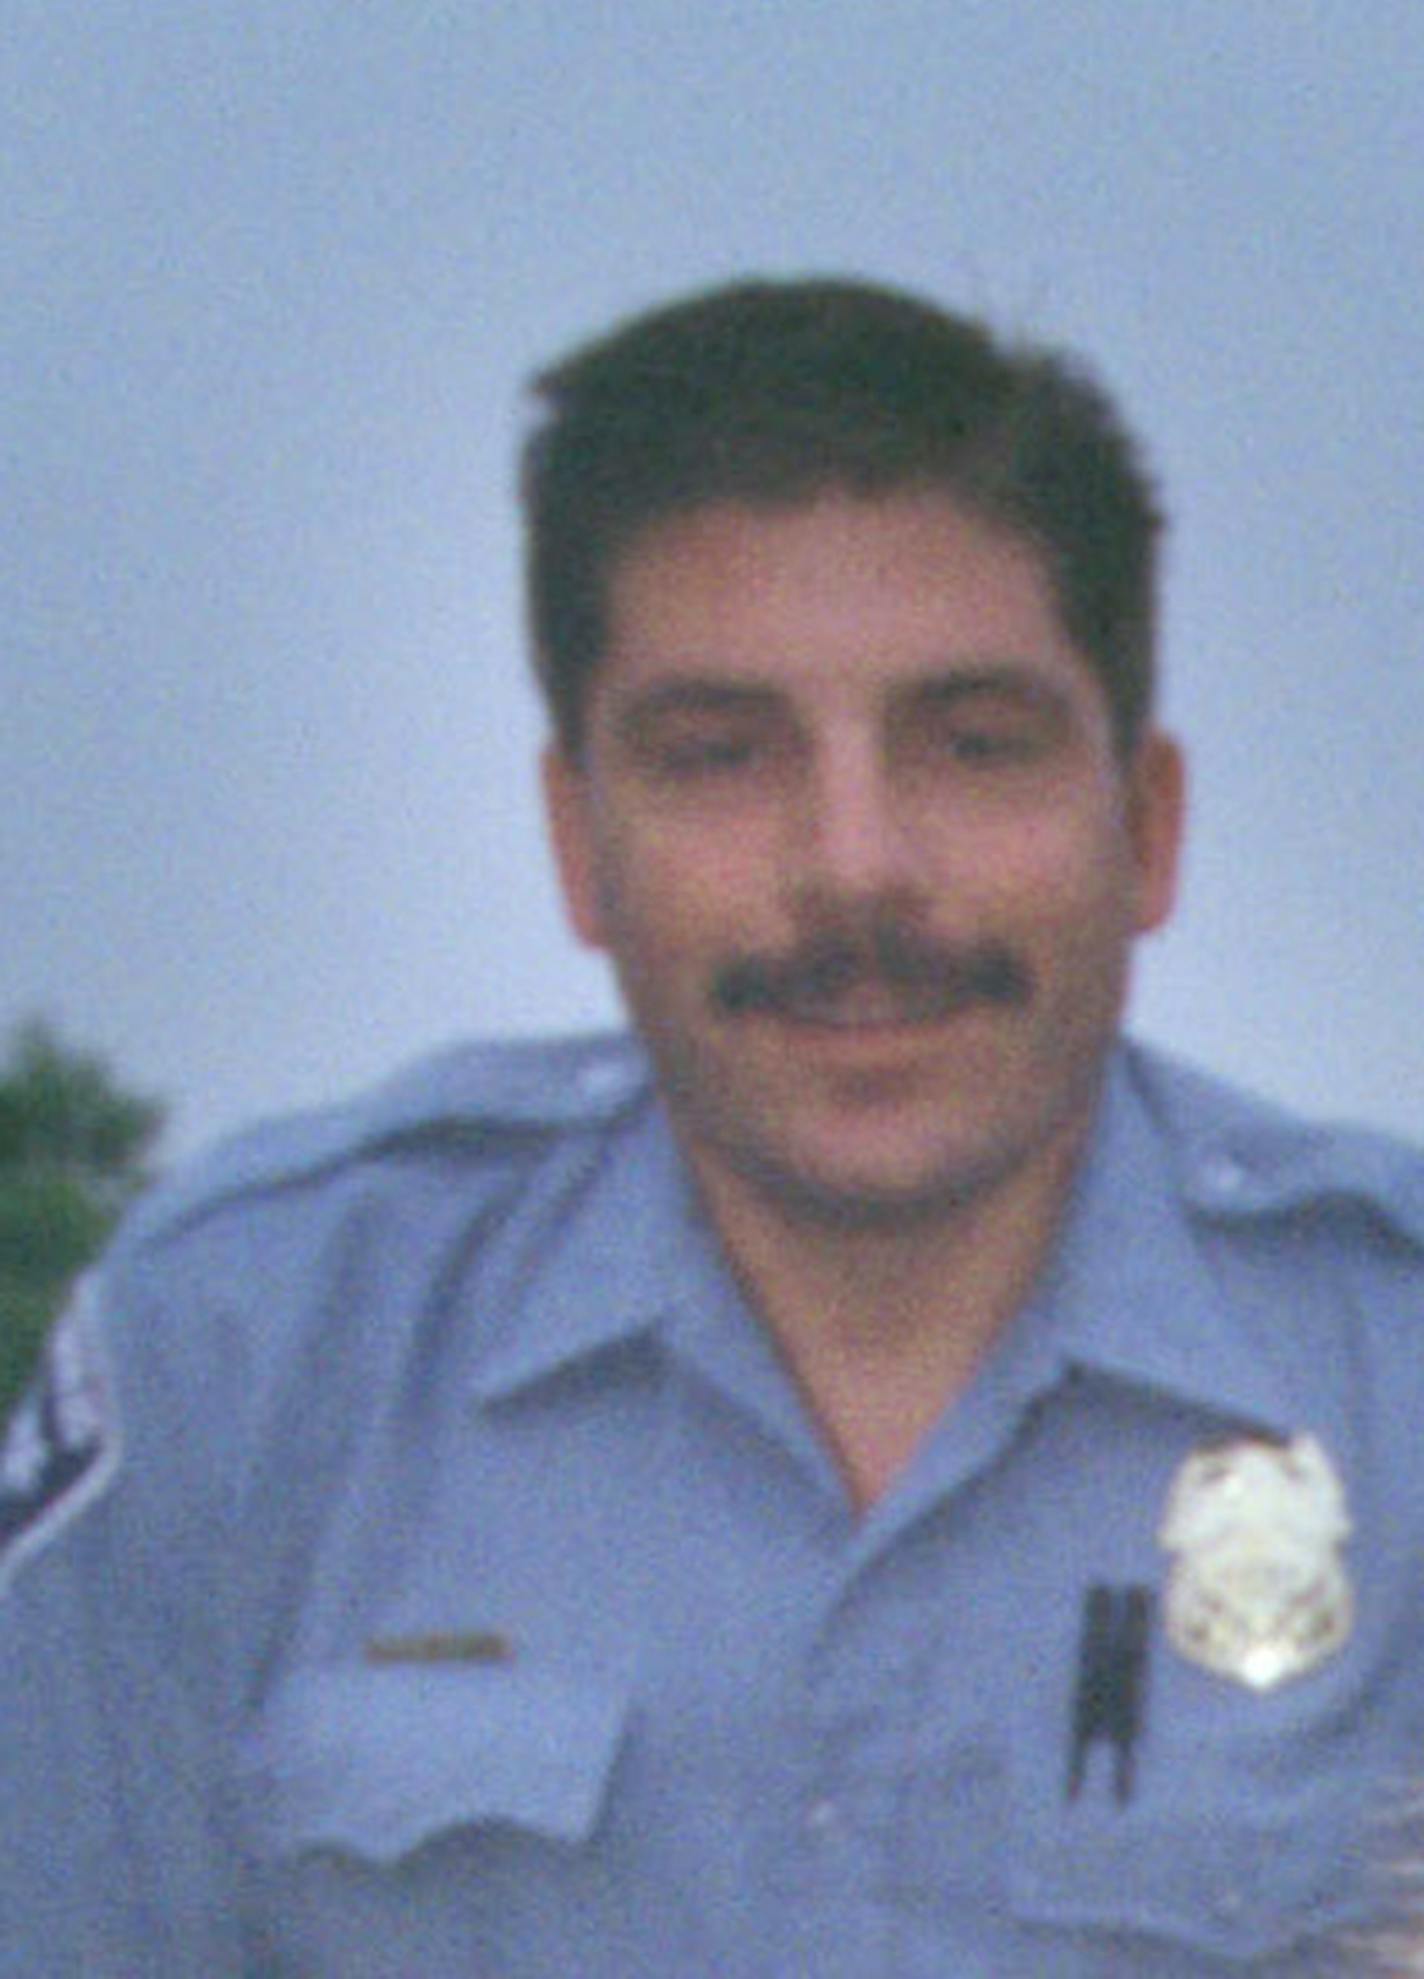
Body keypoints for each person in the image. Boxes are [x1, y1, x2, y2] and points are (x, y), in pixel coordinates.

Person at [1, 276, 1420, 1976]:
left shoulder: (1393, 1370)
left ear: (1148, 824)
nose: (855, 867)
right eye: (718, 755)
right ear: (579, 842)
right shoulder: (244, 1369)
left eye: (973, 744)